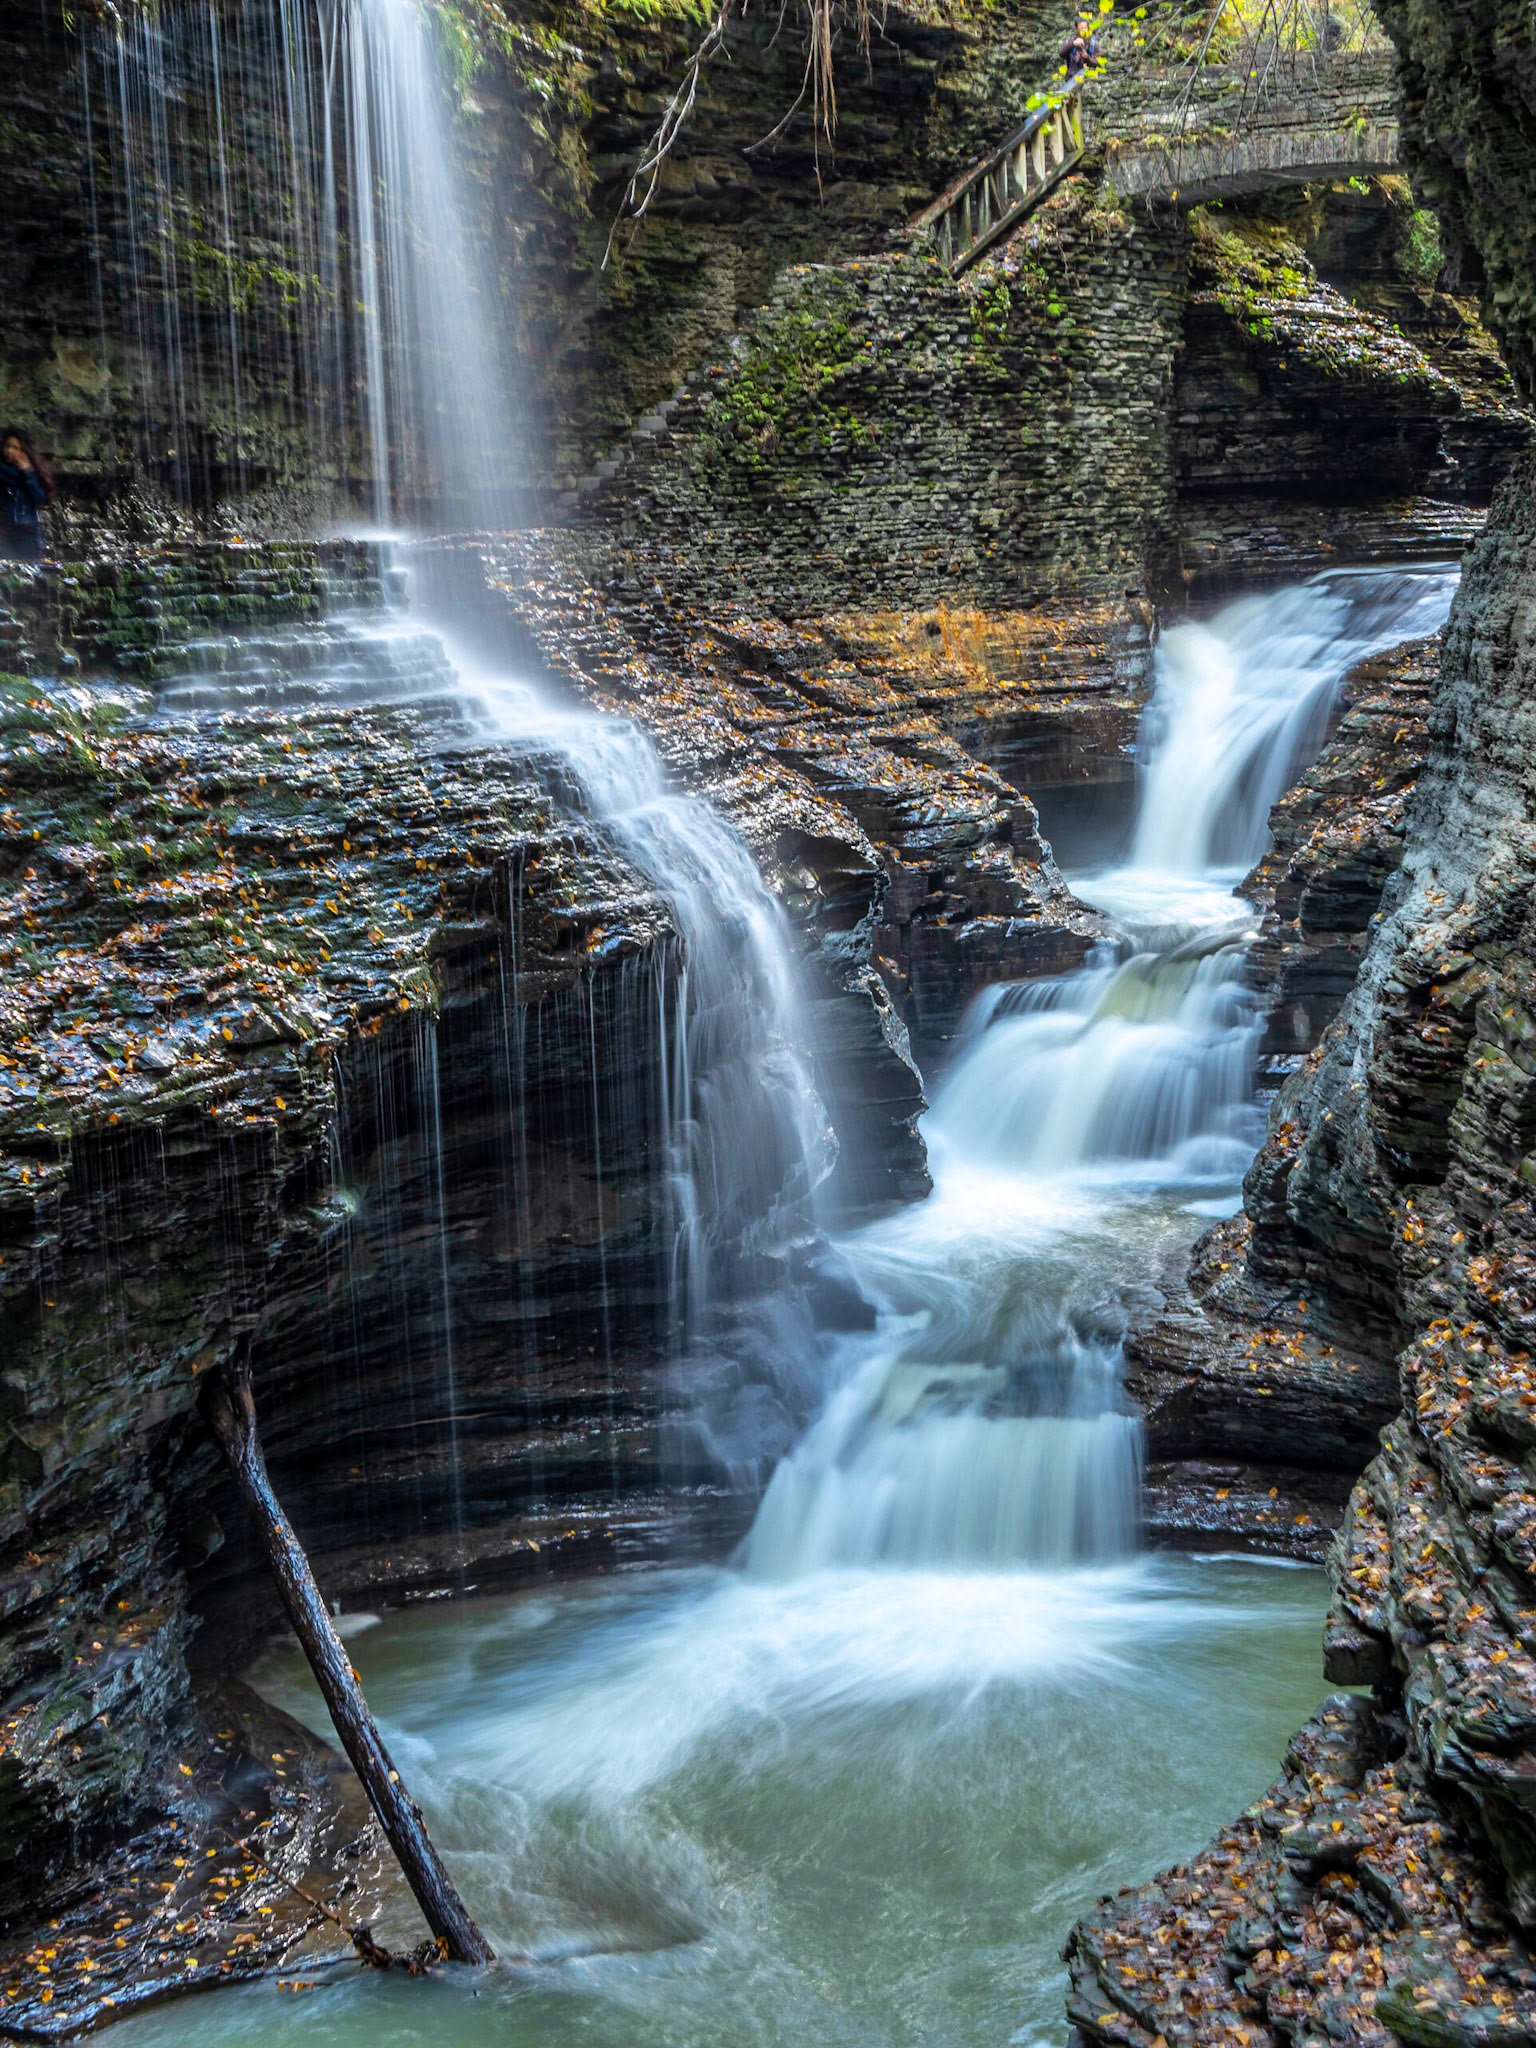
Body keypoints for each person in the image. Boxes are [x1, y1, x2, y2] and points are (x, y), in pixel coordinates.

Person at [0, 429, 54, 562]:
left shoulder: (31, 472)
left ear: (24, 451)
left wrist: (27, 473)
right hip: (4, 532)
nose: (10, 451)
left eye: (16, 448)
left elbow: (40, 499)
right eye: (8, 446)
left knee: (30, 573)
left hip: (27, 532)